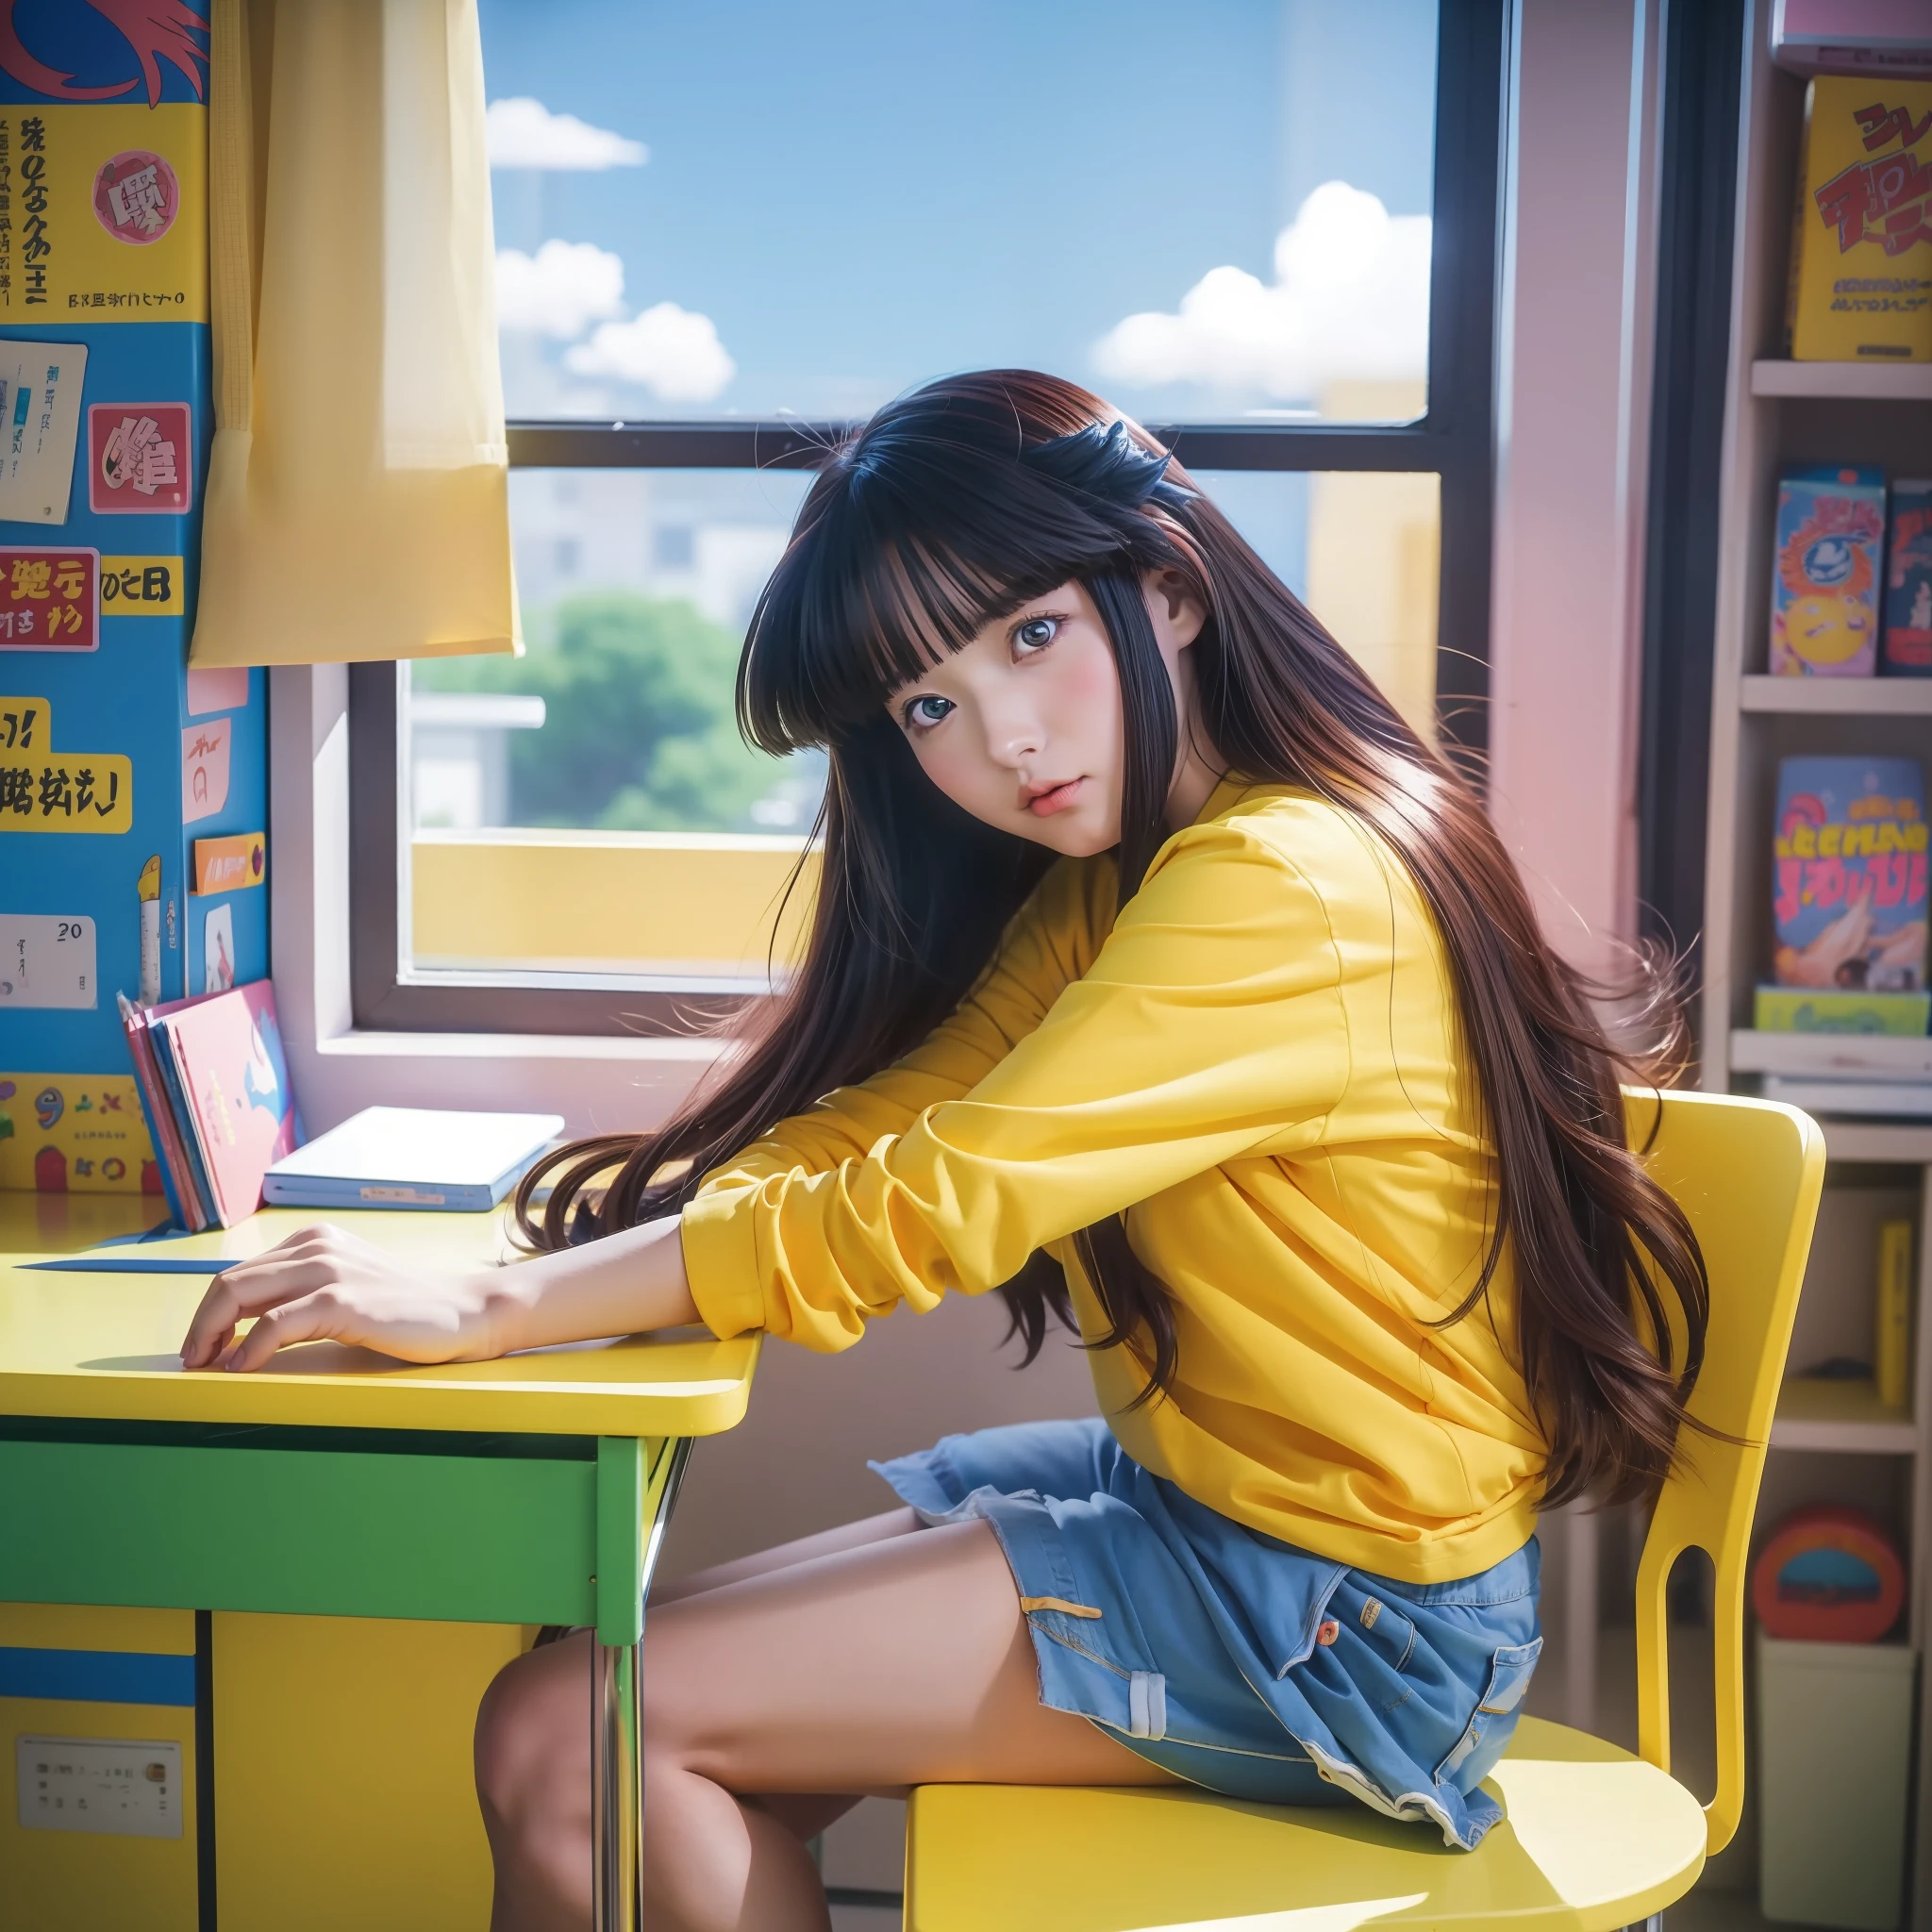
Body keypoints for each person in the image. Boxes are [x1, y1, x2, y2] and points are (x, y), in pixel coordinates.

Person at [179, 371, 1709, 1932]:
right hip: (1221, 1519)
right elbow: (896, 1118)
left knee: (568, 1735)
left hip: (1351, 1621)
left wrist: (499, 1311)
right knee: (598, 1708)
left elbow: (938, 1199)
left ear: (1167, 590)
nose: (1003, 740)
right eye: (928, 706)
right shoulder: (1122, 879)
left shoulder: (1283, 881)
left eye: (1030, 636)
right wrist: (575, 1269)